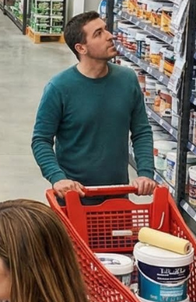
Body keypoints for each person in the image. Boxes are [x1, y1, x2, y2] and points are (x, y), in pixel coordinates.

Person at [33, 11, 156, 198]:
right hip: (74, 198)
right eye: (98, 33)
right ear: (81, 48)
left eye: (105, 29)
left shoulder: (127, 79)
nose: (110, 36)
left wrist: (145, 173)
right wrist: (57, 178)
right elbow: (41, 140)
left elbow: (141, 132)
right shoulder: (59, 88)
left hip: (118, 195)